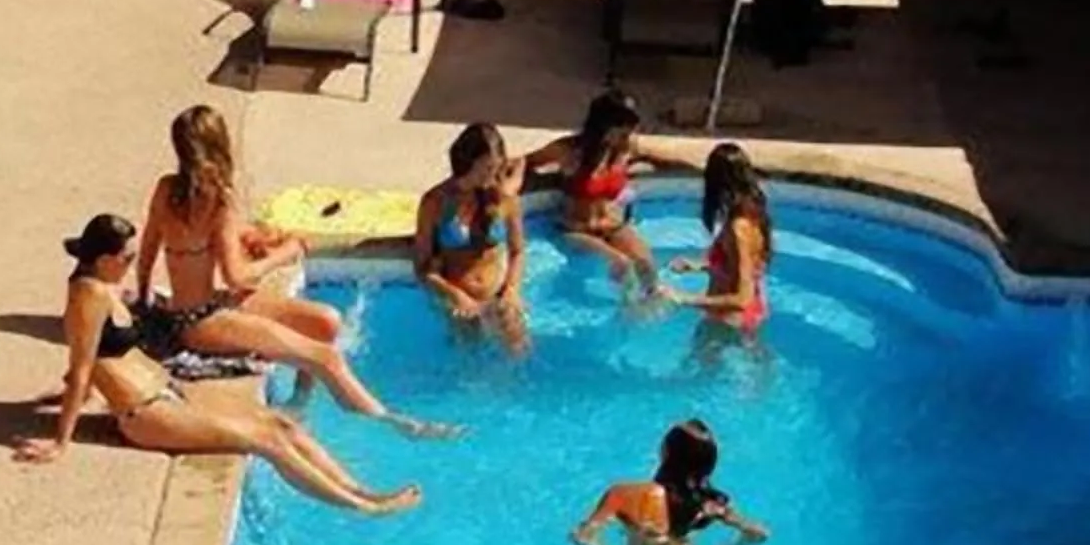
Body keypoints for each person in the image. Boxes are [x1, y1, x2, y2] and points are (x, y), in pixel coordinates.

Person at [15, 216, 421, 517]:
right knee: (268, 441)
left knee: (283, 425)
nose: (133, 262)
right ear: (104, 259)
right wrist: (61, 442)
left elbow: (92, 360)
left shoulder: (102, 287)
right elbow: (84, 364)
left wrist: (79, 389)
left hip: (168, 396)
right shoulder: (87, 297)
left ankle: (364, 491)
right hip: (145, 414)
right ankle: (362, 508)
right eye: (128, 256)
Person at [136, 104, 453, 436]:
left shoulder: (167, 190)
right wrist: (288, 252)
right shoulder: (219, 201)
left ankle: (298, 404)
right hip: (203, 321)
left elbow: (150, 246)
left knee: (325, 321)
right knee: (325, 357)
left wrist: (146, 298)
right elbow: (238, 277)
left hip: (199, 309)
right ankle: (395, 423)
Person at [519, 88, 702, 299]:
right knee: (621, 264)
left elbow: (665, 160)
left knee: (647, 265)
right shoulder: (570, 151)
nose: (629, 136)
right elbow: (526, 162)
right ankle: (625, 316)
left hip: (613, 227)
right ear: (604, 126)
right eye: (623, 130)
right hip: (576, 230)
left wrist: (705, 170)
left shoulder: (626, 149)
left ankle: (648, 312)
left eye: (631, 130)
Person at [569, 419, 768, 545]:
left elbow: (583, 537)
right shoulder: (709, 502)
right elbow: (759, 534)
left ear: (665, 451)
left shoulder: (623, 494)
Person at [414, 122, 529, 352]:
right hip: (458, 298)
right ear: (467, 162)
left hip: (499, 295)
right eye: (486, 168)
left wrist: (512, 290)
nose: (493, 175)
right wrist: (455, 295)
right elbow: (422, 267)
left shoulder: (504, 199)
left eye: (496, 168)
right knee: (470, 366)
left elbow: (518, 251)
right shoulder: (435, 202)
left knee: (520, 355)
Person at [667, 143, 773, 334]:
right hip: (749, 315)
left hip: (729, 319)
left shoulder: (738, 228)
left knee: (693, 363)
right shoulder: (754, 214)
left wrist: (683, 298)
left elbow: (742, 298)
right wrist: (697, 266)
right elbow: (741, 269)